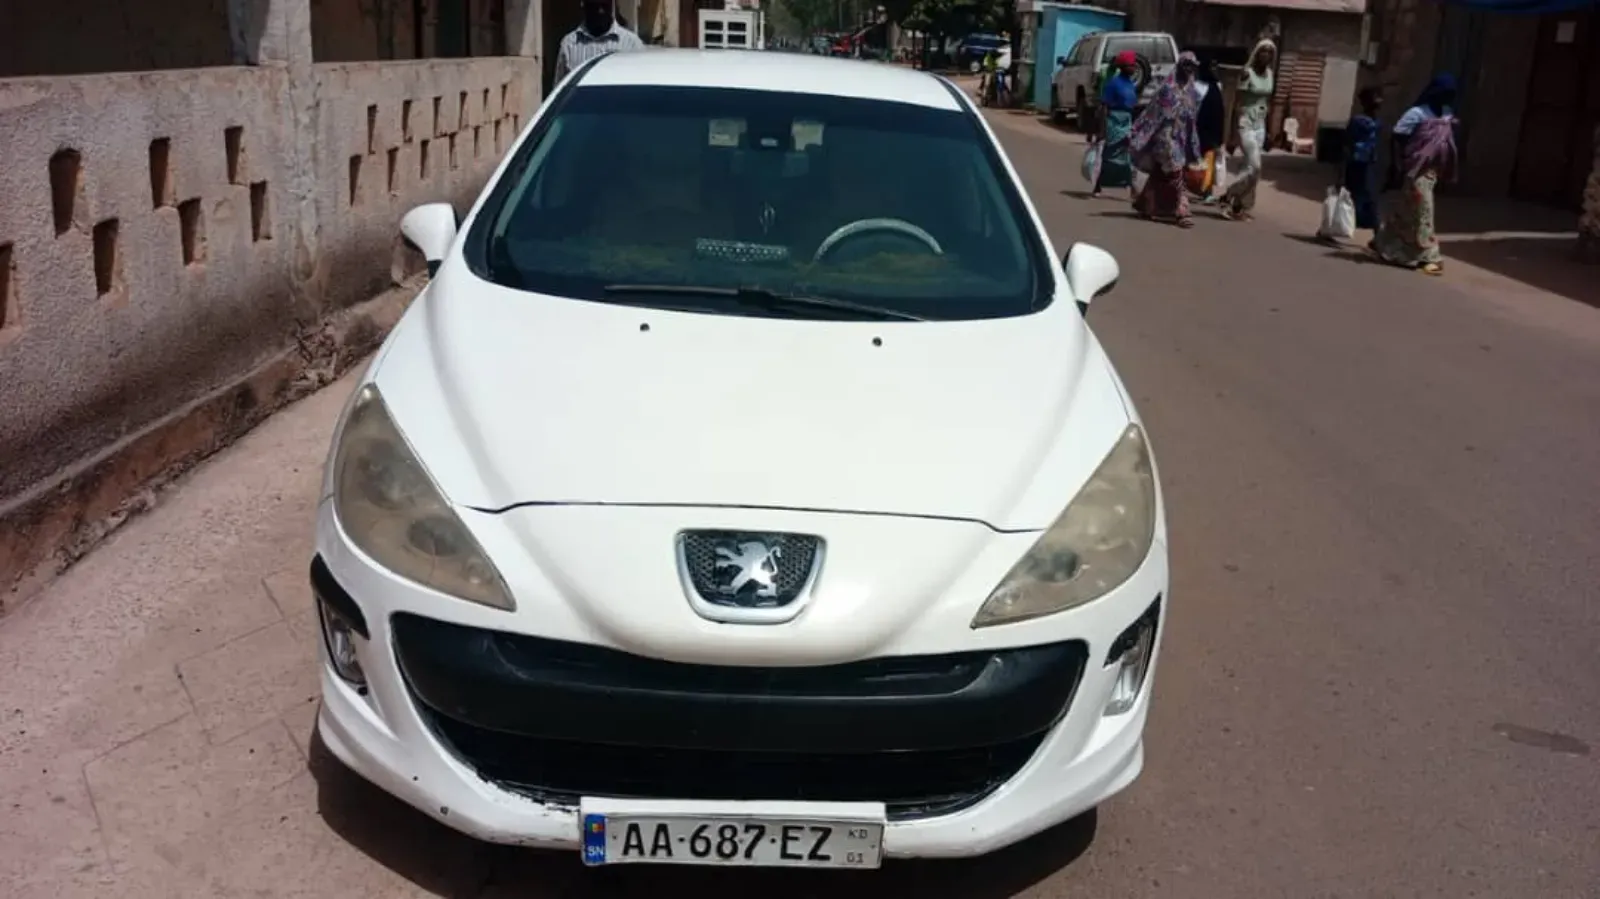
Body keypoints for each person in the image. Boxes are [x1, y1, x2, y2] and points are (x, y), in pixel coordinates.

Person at [1370, 75, 1459, 275]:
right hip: (1413, 168)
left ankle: (1384, 244)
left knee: (1406, 210)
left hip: (1431, 170)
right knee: (1424, 209)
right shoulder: (1417, 113)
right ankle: (1431, 257)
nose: (1448, 97)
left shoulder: (1446, 112)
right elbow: (1398, 136)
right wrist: (1399, 163)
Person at [1128, 51, 1203, 228]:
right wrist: (1138, 134)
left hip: (1180, 137)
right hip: (1165, 137)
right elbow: (1152, 115)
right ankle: (1183, 210)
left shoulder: (1192, 92)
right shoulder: (1167, 89)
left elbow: (1191, 119)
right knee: (1175, 170)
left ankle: (1146, 204)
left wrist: (1193, 144)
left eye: (1192, 67)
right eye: (1186, 65)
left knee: (1162, 173)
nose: (1189, 70)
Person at [1221, 38, 1276, 222]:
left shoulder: (1270, 74)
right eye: (1263, 51)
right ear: (1257, 53)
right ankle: (1228, 195)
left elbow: (1267, 103)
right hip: (1245, 122)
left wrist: (1270, 132)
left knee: (1250, 167)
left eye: (1269, 52)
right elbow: (1236, 103)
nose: (1266, 55)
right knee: (1255, 165)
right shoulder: (1247, 74)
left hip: (1260, 124)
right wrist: (1232, 136)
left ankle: (1239, 206)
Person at [553, 0, 645, 83]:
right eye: (595, 6)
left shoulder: (631, 44)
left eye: (605, 5)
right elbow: (559, 92)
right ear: (584, 5)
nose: (600, 11)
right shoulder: (570, 45)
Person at [1091, 50, 1141, 199]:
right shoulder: (1113, 84)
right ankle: (1098, 185)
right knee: (1109, 155)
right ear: (1123, 67)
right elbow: (1104, 106)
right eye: (1131, 65)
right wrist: (1102, 129)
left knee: (1128, 155)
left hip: (1127, 120)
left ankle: (1132, 186)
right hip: (1114, 120)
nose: (1133, 68)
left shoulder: (1130, 84)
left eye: (1134, 65)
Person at [1341, 87, 1383, 234]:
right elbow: (1346, 141)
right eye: (1375, 99)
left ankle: (1376, 233)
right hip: (1357, 163)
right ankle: (1377, 235)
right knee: (1361, 197)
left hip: (1368, 163)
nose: (1378, 102)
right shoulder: (1359, 121)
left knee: (1365, 198)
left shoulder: (1375, 120)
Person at [1190, 58, 1227, 203]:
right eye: (1211, 67)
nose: (1214, 70)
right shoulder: (1197, 86)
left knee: (1211, 158)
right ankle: (1203, 189)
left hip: (1215, 127)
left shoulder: (1218, 85)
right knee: (1204, 159)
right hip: (1200, 126)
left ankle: (1207, 189)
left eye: (1215, 67)